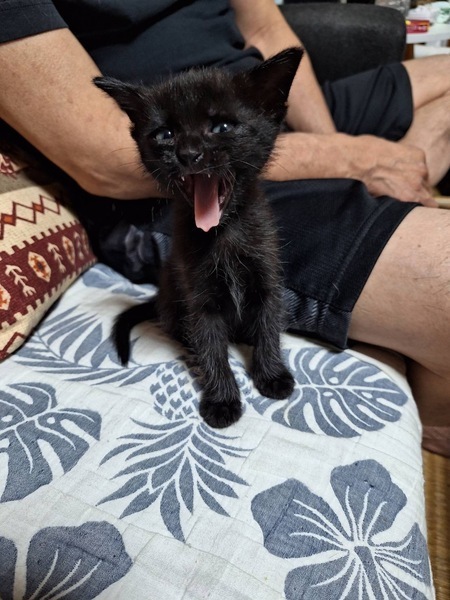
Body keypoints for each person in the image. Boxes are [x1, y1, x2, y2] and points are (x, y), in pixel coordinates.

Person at [1, 0, 449, 454]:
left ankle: (403, 185)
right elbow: (99, 158)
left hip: (246, 112)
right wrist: (350, 158)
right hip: (155, 186)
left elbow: (266, 28)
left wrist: (332, 144)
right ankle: (432, 417)